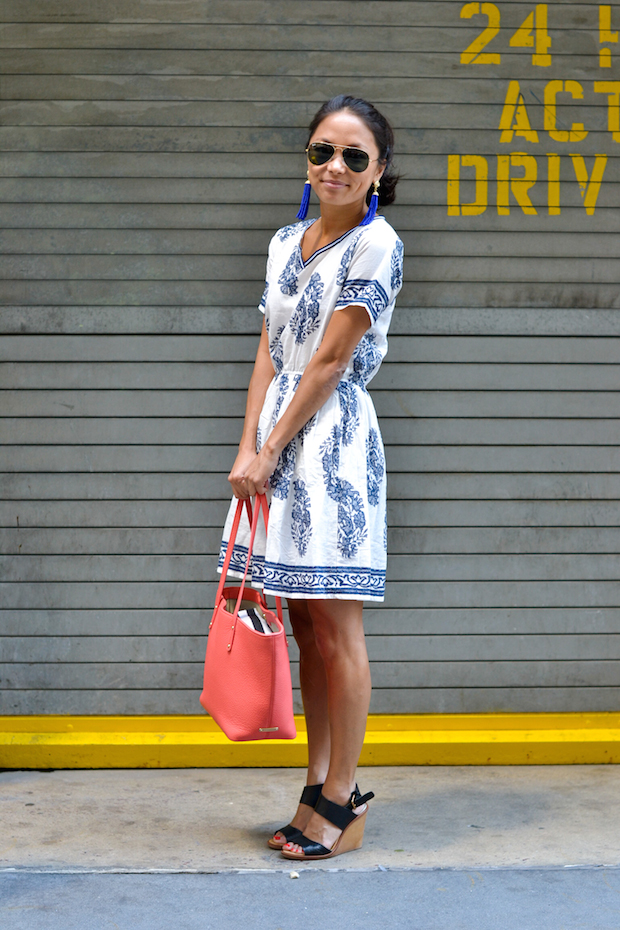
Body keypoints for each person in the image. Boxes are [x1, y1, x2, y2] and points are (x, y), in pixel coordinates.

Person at [219, 94, 404, 861]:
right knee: (300, 623)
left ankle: (345, 795)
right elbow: (270, 351)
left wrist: (271, 452)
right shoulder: (285, 241)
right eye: (323, 151)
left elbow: (328, 364)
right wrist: (246, 447)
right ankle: (316, 779)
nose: (335, 167)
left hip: (329, 443)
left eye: (354, 157)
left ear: (378, 172)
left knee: (337, 626)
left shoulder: (376, 243)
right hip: (274, 443)